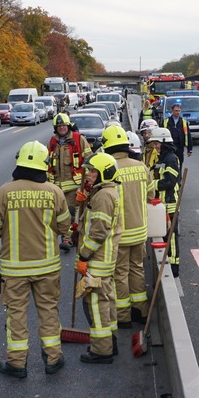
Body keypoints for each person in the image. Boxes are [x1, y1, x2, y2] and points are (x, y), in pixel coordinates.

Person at [0, 141, 73, 378]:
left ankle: (17, 364)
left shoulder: (4, 192)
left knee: (16, 315)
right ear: (44, 165)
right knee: (48, 312)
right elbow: (65, 226)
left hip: (14, 269)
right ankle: (53, 359)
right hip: (47, 267)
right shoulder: (54, 192)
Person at [102, 124, 154, 329]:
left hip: (119, 233)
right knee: (137, 269)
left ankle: (123, 316)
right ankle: (141, 310)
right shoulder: (141, 167)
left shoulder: (108, 169)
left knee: (120, 273)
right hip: (140, 231)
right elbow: (151, 196)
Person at [76, 152, 123, 364]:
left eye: (93, 171)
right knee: (107, 300)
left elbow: (98, 232)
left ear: (104, 173)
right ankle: (110, 343)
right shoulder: (105, 192)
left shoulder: (103, 196)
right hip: (106, 259)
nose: (88, 175)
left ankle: (101, 350)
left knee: (95, 302)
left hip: (98, 260)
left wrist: (84, 255)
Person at [46, 112, 91, 251]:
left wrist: (86, 185)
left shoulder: (79, 140)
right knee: (57, 214)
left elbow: (89, 162)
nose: (61, 128)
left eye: (64, 125)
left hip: (74, 187)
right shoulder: (52, 142)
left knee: (71, 213)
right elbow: (47, 164)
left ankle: (67, 239)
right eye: (59, 126)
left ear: (68, 126)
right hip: (56, 188)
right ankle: (65, 236)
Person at [150, 127, 183, 277]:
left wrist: (152, 185)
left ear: (164, 142)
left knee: (172, 236)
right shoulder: (161, 158)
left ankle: (174, 265)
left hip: (170, 203)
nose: (154, 146)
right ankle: (166, 262)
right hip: (161, 204)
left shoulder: (171, 158)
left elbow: (170, 181)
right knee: (164, 236)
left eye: (156, 143)